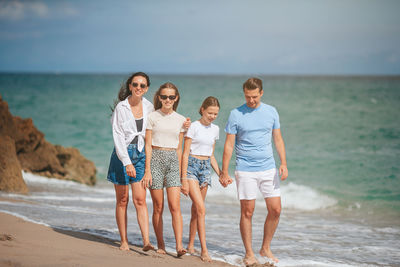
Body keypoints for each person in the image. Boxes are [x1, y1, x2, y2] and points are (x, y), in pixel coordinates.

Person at [219, 77, 288, 265]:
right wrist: (224, 171)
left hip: (268, 168)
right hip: (245, 169)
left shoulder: (271, 112)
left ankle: (265, 247)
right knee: (247, 212)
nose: (251, 100)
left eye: (255, 97)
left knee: (276, 209)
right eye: (248, 97)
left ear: (261, 93)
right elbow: (229, 145)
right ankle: (249, 252)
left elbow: (278, 139)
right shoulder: (236, 114)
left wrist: (283, 162)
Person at [107, 72, 154, 251]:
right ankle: (124, 241)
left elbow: (161, 121)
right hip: (122, 155)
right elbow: (117, 136)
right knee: (123, 199)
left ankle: (146, 241)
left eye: (142, 85)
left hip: (141, 154)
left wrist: (184, 125)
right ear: (130, 86)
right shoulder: (121, 107)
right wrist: (126, 162)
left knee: (140, 199)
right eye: (135, 85)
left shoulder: (149, 107)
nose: (138, 88)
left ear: (147, 88)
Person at [143, 82, 188, 257]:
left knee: (175, 206)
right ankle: (161, 245)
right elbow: (147, 145)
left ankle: (179, 246)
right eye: (164, 96)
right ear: (159, 98)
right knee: (158, 206)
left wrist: (181, 175)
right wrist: (147, 170)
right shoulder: (152, 117)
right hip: (155, 158)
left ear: (176, 98)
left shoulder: (182, 120)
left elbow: (180, 149)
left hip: (172, 162)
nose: (167, 100)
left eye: (171, 97)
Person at [181, 96, 221, 262]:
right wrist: (183, 178)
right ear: (203, 109)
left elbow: (211, 155)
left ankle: (190, 245)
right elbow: (184, 153)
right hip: (191, 166)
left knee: (196, 211)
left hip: (205, 169)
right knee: (201, 208)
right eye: (210, 112)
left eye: (215, 114)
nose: (212, 116)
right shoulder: (193, 127)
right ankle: (204, 250)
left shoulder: (215, 129)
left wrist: (221, 174)